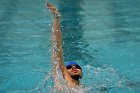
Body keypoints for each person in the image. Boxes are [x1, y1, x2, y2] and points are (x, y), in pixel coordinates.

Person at [47, 3, 83, 89]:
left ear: (82, 73)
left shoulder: (85, 88)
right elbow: (57, 46)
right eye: (69, 67)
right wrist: (57, 18)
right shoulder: (62, 81)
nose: (74, 67)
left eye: (77, 67)